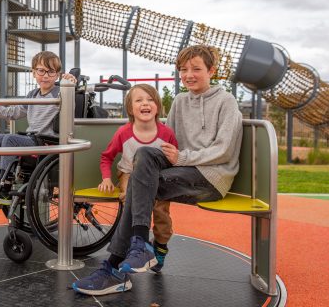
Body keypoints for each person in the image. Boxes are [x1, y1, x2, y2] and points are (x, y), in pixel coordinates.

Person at [72, 44, 243, 296]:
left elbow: (224, 150)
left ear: (212, 71)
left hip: (210, 178)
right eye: (183, 70)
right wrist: (152, 161)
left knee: (137, 186)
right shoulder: (180, 100)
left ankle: (114, 266)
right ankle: (139, 246)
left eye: (196, 69)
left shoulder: (226, 101)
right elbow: (166, 145)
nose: (189, 75)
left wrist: (182, 157)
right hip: (181, 172)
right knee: (144, 156)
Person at [0, 51, 77, 202]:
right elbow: (13, 112)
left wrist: (71, 83)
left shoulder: (61, 93)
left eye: (51, 71)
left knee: (9, 140)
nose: (46, 75)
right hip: (33, 138)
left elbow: (70, 102)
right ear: (34, 73)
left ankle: (5, 186)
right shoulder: (33, 94)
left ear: (57, 74)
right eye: (41, 71)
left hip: (47, 141)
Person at [98, 83, 177, 274]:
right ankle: (133, 246)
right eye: (139, 100)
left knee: (161, 212)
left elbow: (175, 160)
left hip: (156, 177)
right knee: (130, 199)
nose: (145, 103)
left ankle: (159, 246)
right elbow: (106, 156)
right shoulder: (124, 133)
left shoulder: (166, 133)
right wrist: (107, 179)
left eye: (150, 100)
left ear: (157, 106)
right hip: (128, 173)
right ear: (131, 109)